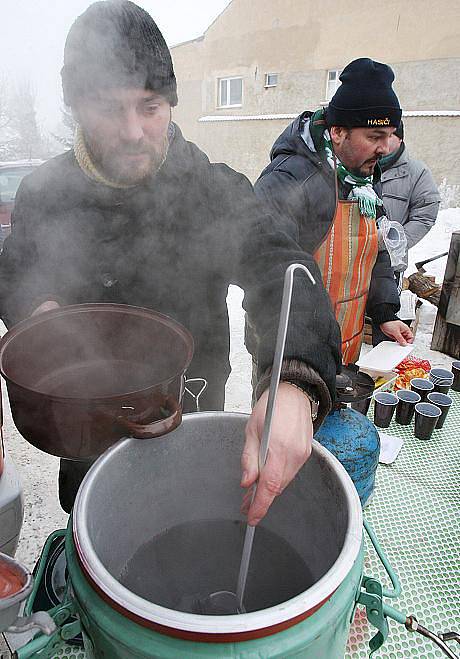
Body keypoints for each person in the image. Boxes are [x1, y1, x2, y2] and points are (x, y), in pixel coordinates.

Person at [0, 1, 341, 525]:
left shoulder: (211, 190)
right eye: (111, 109)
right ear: (77, 106)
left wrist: (292, 385)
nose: (134, 131)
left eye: (150, 106)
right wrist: (35, 306)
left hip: (186, 409)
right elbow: (15, 269)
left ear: (171, 104)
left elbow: (284, 269)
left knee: (182, 521)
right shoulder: (44, 194)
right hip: (82, 420)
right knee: (97, 529)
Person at [253, 58, 414, 366]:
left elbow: (374, 249)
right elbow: (265, 271)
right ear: (338, 132)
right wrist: (294, 362)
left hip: (344, 344)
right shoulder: (290, 178)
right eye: (374, 137)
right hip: (292, 351)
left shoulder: (364, 179)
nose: (385, 148)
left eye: (389, 136)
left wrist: (384, 313)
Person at [380, 120, 440, 278]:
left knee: (386, 302)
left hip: (390, 265)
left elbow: (425, 216)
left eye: (390, 134)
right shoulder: (358, 167)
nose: (383, 140)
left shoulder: (417, 173)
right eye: (378, 135)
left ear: (400, 139)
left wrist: (395, 243)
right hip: (354, 260)